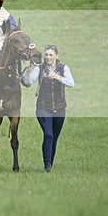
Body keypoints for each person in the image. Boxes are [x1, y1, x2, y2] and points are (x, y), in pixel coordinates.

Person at [21, 44, 75, 172]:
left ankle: (50, 162)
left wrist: (57, 77)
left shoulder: (63, 68)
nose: (48, 57)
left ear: (56, 56)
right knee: (48, 134)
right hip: (43, 108)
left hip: (60, 109)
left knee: (54, 137)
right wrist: (27, 69)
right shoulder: (39, 68)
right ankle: (47, 165)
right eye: (46, 55)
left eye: (51, 55)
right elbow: (28, 82)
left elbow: (71, 83)